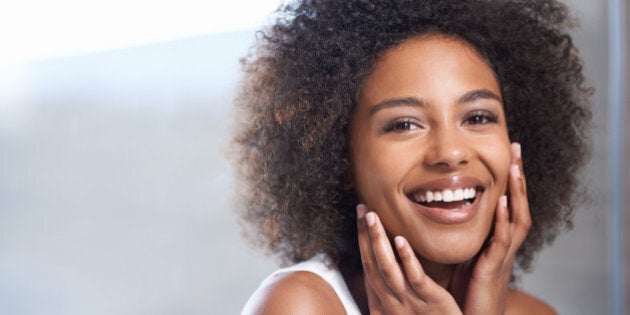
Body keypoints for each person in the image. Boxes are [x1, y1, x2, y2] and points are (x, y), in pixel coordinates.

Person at [232, 0, 591, 313]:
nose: (451, 153)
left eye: (478, 117)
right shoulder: (297, 305)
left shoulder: (532, 313)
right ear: (341, 160)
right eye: (404, 124)